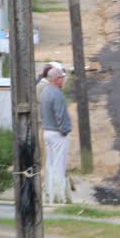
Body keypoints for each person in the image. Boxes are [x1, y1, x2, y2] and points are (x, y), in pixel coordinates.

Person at [39, 62, 72, 205]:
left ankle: (49, 194)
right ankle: (58, 197)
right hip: (57, 134)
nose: (63, 80)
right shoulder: (57, 94)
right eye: (62, 77)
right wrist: (65, 130)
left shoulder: (45, 92)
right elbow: (60, 116)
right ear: (57, 79)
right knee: (59, 166)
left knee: (50, 164)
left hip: (46, 131)